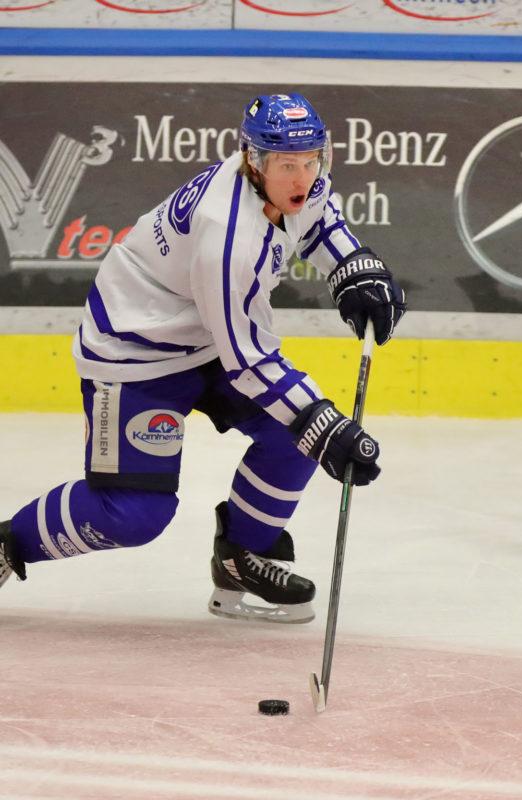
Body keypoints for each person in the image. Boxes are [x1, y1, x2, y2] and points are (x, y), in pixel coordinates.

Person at [0, 93, 406, 623]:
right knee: (134, 513)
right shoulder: (227, 235)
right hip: (136, 351)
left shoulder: (291, 184)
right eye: (288, 165)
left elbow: (319, 219)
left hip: (206, 336)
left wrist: (354, 266)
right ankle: (8, 542)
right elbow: (247, 359)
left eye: (311, 161)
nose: (303, 177)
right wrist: (323, 423)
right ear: (254, 160)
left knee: (294, 436)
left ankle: (242, 557)